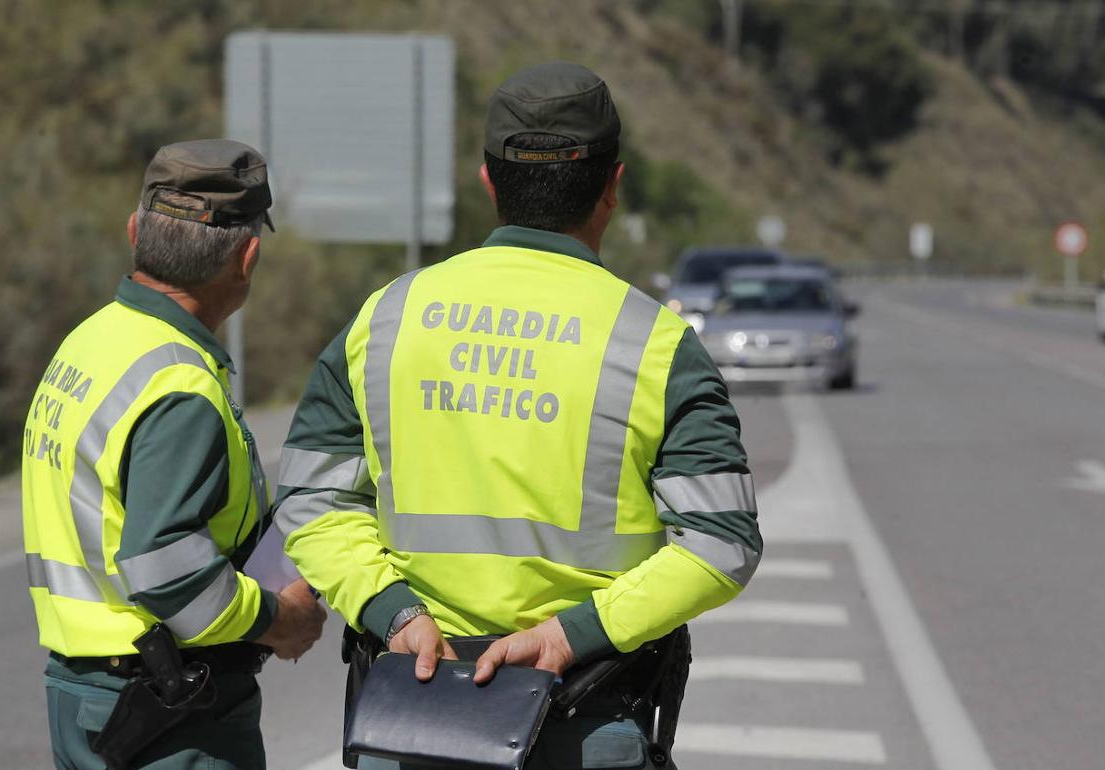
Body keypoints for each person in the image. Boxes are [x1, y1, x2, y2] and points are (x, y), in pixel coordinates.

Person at [275, 62, 761, 770]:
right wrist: (573, 635)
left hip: (415, 723)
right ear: (612, 188)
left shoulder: (384, 320)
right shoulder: (656, 344)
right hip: (586, 724)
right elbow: (722, 542)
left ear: (487, 181)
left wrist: (394, 615)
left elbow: (310, 501)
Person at [22, 139, 326, 770]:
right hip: (172, 715)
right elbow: (165, 570)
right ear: (248, 256)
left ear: (136, 231)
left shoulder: (90, 341)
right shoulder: (178, 385)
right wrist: (279, 619)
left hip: (83, 696)